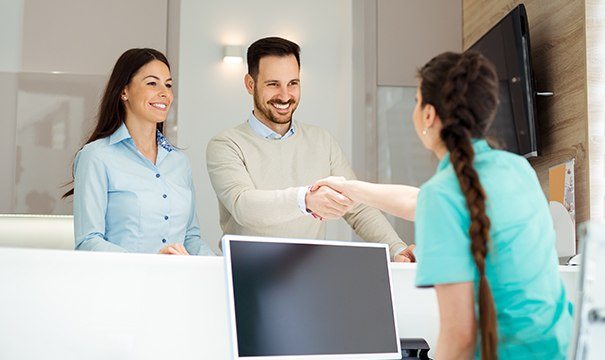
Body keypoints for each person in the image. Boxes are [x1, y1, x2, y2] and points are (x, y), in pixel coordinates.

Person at [313, 51, 572, 359]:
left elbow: (459, 337)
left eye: (416, 101)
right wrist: (351, 188)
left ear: (428, 115)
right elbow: (420, 201)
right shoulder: (517, 169)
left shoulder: (444, 194)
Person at [206, 37, 417, 261]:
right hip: (245, 273)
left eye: (293, 83)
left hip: (308, 273)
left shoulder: (322, 141)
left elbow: (358, 207)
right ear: (250, 84)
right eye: (273, 84)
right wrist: (305, 200)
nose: (285, 96)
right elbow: (244, 206)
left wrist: (396, 248)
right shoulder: (226, 144)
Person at [63, 48, 214, 256]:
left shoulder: (179, 162)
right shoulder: (96, 156)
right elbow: (88, 241)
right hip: (124, 284)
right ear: (124, 91)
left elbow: (190, 238)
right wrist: (149, 263)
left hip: (176, 284)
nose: (165, 93)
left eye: (168, 85)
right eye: (152, 83)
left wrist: (219, 267)